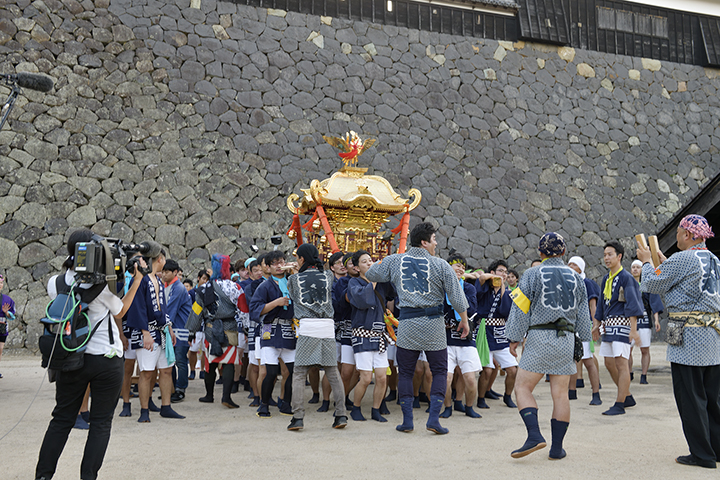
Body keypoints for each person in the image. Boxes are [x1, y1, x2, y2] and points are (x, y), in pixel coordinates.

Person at [35, 229, 143, 480]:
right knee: (101, 423)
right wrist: (136, 281)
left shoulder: (55, 283)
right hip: (106, 358)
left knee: (61, 419)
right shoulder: (102, 286)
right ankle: (88, 477)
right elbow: (120, 311)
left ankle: (43, 476)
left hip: (71, 357)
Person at [366, 222, 469, 434]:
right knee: (439, 371)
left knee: (405, 372)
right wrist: (465, 320)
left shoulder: (395, 260)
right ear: (424, 242)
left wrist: (382, 260)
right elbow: (457, 298)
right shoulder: (441, 265)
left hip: (408, 323)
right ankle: (433, 419)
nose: (436, 243)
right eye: (434, 239)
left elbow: (372, 274)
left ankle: (407, 421)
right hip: (434, 324)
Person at [637, 214, 720, 469]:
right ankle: (716, 448)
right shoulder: (714, 259)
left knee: (690, 397)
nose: (677, 238)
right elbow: (681, 283)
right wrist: (665, 264)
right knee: (712, 397)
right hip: (712, 336)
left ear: (688, 234)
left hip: (688, 338)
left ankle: (702, 454)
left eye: (678, 233)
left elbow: (651, 283)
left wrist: (647, 262)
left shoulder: (683, 258)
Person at [506, 232, 592, 460]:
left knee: (522, 388)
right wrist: (584, 338)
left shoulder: (532, 274)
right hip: (566, 340)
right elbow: (584, 316)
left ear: (540, 252)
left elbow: (520, 308)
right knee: (561, 394)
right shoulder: (577, 278)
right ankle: (557, 449)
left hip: (539, 337)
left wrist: (514, 338)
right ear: (563, 252)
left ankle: (534, 434)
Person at [286, 244, 348, 431]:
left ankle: (298, 416)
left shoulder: (294, 279)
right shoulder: (328, 276)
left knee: (299, 373)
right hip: (327, 326)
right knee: (332, 372)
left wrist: (295, 273)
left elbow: (294, 297)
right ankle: (341, 414)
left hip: (308, 327)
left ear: (302, 259)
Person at [126, 250, 184, 422]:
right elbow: (137, 307)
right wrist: (145, 332)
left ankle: (166, 406)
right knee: (146, 372)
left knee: (166, 370)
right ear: (160, 259)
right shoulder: (140, 280)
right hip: (146, 331)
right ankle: (144, 410)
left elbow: (163, 308)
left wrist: (169, 328)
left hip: (161, 331)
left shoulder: (158, 280)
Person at [186, 254, 248, 409]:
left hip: (210, 329)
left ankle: (209, 395)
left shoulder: (203, 289)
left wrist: (192, 331)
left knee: (210, 363)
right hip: (230, 329)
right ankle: (226, 397)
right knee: (229, 363)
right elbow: (243, 310)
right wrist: (247, 329)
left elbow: (196, 311)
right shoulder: (235, 287)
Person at [595, 241, 643, 416]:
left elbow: (633, 303)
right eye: (605, 255)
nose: (606, 258)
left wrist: (633, 329)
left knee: (622, 364)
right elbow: (601, 304)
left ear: (619, 256)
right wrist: (596, 324)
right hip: (609, 325)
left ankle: (620, 403)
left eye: (610, 254)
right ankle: (627, 395)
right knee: (609, 363)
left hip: (622, 324)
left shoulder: (626, 277)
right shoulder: (606, 279)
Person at [249, 251, 296, 417]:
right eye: (275, 263)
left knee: (291, 371)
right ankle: (264, 404)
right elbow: (254, 309)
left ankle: (286, 403)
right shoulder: (264, 286)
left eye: (281, 261)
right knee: (270, 372)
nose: (279, 266)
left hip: (288, 329)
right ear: (268, 267)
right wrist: (275, 303)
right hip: (270, 329)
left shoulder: (292, 282)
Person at [347, 250, 391, 423]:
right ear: (357, 268)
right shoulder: (353, 282)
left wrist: (385, 273)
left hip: (379, 335)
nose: (369, 263)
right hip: (362, 335)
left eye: (371, 260)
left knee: (382, 377)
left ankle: (376, 409)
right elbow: (362, 300)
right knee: (365, 378)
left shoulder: (380, 282)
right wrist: (372, 281)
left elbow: (392, 292)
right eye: (364, 262)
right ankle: (356, 408)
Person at [439, 253, 482, 419]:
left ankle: (469, 406)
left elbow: (471, 309)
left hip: (466, 339)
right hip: (446, 339)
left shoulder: (469, 288)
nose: (461, 268)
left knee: (470, 378)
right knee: (446, 378)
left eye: (463, 267)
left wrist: (457, 289)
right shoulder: (440, 287)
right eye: (457, 265)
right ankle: (447, 407)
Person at [471, 260, 518, 409]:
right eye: (500, 271)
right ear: (492, 272)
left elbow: (505, 312)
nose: (504, 274)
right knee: (487, 370)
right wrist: (488, 278)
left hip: (500, 334)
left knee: (512, 369)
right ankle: (481, 398)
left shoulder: (508, 293)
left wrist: (502, 288)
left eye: (506, 272)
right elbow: (479, 284)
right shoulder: (484, 288)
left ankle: (508, 396)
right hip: (484, 333)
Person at [567, 256, 602, 405]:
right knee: (572, 360)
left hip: (584, 325)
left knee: (587, 360)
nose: (570, 266)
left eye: (574, 264)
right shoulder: (566, 283)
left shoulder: (587, 283)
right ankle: (571, 392)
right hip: (569, 325)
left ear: (581, 268)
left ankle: (596, 393)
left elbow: (593, 306)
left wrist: (595, 325)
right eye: (569, 264)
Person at [161, 259, 192, 402]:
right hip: (171, 329)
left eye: (167, 272)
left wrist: (164, 324)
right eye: (163, 271)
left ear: (175, 272)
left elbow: (170, 310)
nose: (163, 274)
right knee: (171, 360)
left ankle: (180, 389)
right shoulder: (167, 286)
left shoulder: (178, 287)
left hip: (180, 329)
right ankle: (171, 388)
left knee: (180, 360)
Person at [630, 259, 664, 384]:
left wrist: (656, 320)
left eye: (638, 267)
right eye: (633, 267)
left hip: (644, 321)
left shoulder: (647, 285)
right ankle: (629, 373)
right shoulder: (627, 284)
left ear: (642, 270)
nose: (635, 269)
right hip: (629, 322)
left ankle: (643, 375)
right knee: (627, 350)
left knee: (645, 350)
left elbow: (654, 302)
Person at [0, 272, 15, 378]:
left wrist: (6, 313)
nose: (0, 285)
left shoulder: (7, 299)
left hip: (2, 326)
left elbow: (12, 316)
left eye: (1, 283)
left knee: (0, 349)